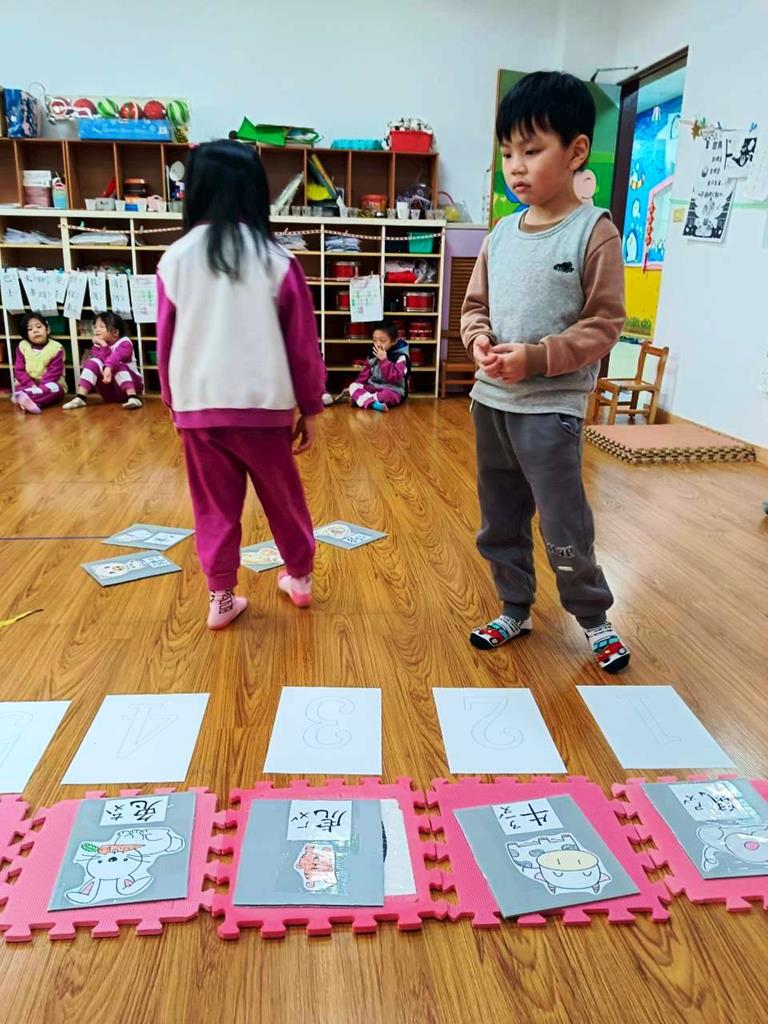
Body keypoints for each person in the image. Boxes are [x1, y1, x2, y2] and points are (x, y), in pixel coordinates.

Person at [461, 71, 630, 673]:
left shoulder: (594, 231)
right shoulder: (500, 234)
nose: (516, 167)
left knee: (563, 522)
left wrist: (536, 357)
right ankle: (514, 607)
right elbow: (474, 308)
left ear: (576, 151)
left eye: (532, 151)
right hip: (491, 405)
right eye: (508, 152)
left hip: (551, 410)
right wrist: (479, 340)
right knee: (499, 518)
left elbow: (604, 323)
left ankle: (593, 618)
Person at [156, 139, 325, 630]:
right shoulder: (277, 259)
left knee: (213, 507)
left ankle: (221, 597)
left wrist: (172, 402)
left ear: (195, 191)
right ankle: (299, 578)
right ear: (256, 191)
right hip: (264, 409)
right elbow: (302, 345)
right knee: (284, 498)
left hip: (199, 409)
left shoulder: (175, 258)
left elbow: (164, 339)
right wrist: (310, 407)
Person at [62, 312, 143, 410]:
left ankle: (133, 398)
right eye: (95, 327)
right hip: (109, 392)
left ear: (115, 332)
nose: (97, 329)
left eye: (101, 326)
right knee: (93, 362)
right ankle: (81, 397)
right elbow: (101, 360)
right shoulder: (98, 345)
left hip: (132, 387)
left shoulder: (125, 343)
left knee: (117, 365)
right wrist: (103, 345)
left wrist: (108, 366)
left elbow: (115, 358)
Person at [11, 311, 67, 413]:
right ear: (26, 334)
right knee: (19, 389)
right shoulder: (22, 347)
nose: (35, 331)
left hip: (49, 384)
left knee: (55, 389)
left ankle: (28, 400)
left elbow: (54, 372)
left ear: (47, 329)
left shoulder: (56, 348)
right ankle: (32, 401)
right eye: (30, 329)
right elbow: (19, 370)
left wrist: (40, 388)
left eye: (38, 327)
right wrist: (31, 384)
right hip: (27, 384)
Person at [348, 322, 409, 411]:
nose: (378, 344)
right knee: (353, 386)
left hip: (392, 390)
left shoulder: (400, 357)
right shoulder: (372, 355)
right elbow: (363, 376)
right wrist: (355, 388)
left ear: (394, 341)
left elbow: (394, 377)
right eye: (375, 340)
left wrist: (384, 360)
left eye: (383, 340)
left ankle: (362, 400)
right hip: (373, 388)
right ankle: (372, 403)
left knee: (387, 395)